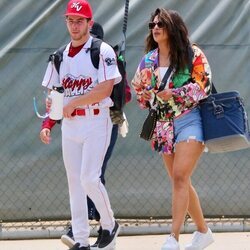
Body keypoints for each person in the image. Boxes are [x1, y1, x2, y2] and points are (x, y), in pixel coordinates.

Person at [39, 1, 121, 249]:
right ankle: (82, 240)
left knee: (89, 178)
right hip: (71, 125)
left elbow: (106, 88)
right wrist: (48, 121)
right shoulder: (59, 56)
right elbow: (56, 93)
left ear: (89, 23)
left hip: (97, 120)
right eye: (70, 20)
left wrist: (73, 103)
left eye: (79, 20)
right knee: (74, 182)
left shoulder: (102, 50)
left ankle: (109, 224)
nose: (74, 26)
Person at [131, 8, 214, 250]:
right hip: (163, 124)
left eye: (161, 24)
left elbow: (204, 85)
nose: (155, 28)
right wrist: (146, 95)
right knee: (181, 181)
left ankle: (173, 238)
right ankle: (203, 231)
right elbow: (139, 91)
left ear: (173, 28)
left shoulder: (192, 54)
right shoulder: (148, 60)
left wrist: (174, 93)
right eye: (152, 25)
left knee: (179, 177)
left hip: (191, 120)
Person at [60, 21, 132, 249]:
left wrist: (109, 93)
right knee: (82, 178)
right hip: (75, 122)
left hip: (106, 121)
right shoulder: (68, 58)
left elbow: (125, 94)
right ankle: (82, 232)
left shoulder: (104, 56)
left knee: (92, 176)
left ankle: (105, 225)